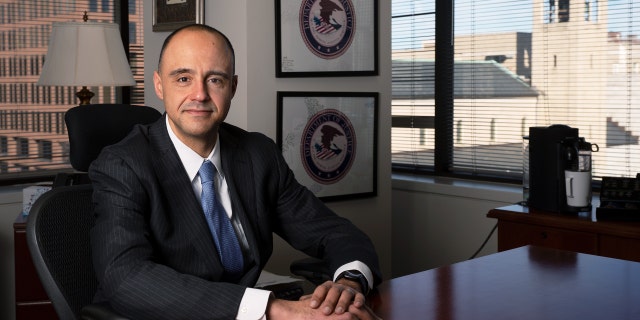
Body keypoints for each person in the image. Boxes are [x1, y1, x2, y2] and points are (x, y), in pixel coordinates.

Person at [88, 23, 382, 320]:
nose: (199, 94)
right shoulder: (123, 164)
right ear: (159, 85)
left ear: (233, 87)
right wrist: (274, 309)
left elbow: (335, 233)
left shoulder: (257, 154)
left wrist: (348, 285)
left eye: (214, 79)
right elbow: (125, 277)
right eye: (183, 78)